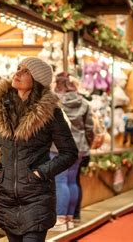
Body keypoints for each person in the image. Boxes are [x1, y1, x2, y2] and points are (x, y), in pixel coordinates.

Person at [0, 57, 78, 242]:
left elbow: (69, 152)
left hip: (37, 196)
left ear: (37, 81)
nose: (17, 73)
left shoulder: (50, 113)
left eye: (25, 71)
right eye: (18, 68)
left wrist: (41, 173)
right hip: (7, 197)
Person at [51, 72, 94, 231]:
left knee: (60, 181)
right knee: (71, 181)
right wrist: (86, 144)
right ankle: (70, 218)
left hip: (59, 147)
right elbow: (90, 128)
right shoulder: (83, 102)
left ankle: (60, 219)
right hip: (79, 147)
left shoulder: (54, 101)